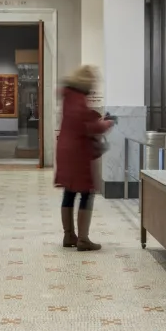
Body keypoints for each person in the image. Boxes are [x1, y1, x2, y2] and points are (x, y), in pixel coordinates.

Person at [53, 64, 112, 251]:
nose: (94, 87)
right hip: (77, 153)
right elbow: (88, 125)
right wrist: (107, 123)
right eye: (93, 83)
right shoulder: (78, 100)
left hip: (65, 150)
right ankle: (83, 239)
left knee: (69, 192)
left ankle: (69, 234)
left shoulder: (69, 97)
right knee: (86, 192)